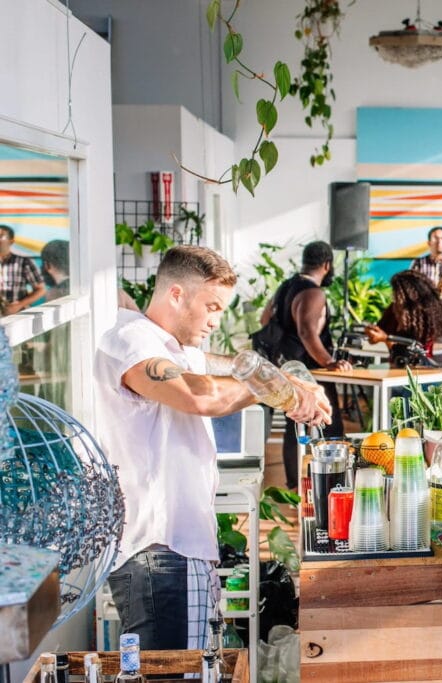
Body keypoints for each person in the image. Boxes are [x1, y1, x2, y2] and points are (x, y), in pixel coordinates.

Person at [95, 245, 331, 651]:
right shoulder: (132, 340)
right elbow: (199, 395)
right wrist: (280, 390)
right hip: (159, 553)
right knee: (172, 677)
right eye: (211, 307)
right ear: (176, 294)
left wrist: (294, 385)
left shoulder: (171, 346)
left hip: (180, 550)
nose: (216, 320)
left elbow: (226, 365)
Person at [260, 241, 350, 489]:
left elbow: (264, 319)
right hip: (309, 368)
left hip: (285, 364)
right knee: (329, 420)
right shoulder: (314, 292)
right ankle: (333, 482)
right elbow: (307, 332)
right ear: (327, 265)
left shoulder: (285, 287)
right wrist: (329, 362)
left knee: (293, 422)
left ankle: (294, 484)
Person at [365, 270, 442, 365]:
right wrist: (373, 333)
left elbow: (410, 354)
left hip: (422, 366)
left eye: (397, 294)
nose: (394, 297)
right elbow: (380, 333)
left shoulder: (428, 317)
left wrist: (385, 339)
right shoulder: (393, 310)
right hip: (396, 365)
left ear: (409, 296)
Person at [0, 224, 45, 314]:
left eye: (1, 236)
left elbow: (41, 289)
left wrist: (19, 305)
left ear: (11, 241)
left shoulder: (24, 262)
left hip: (16, 317)